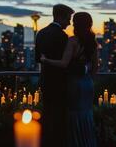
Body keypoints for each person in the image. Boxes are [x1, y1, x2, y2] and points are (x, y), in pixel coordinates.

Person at [41, 12, 98, 147]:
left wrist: (45, 60)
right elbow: (95, 68)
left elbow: (63, 63)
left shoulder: (72, 40)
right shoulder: (93, 42)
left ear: (76, 24)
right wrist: (87, 73)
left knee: (74, 115)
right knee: (86, 115)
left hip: (75, 83)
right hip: (87, 84)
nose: (71, 23)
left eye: (74, 21)